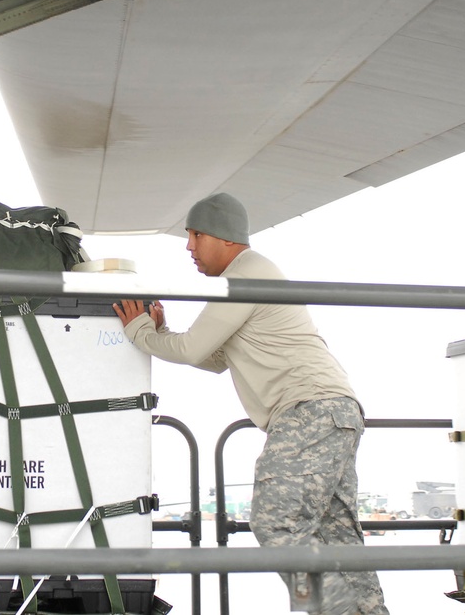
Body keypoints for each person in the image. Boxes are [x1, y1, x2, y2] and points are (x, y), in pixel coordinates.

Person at [112, 192, 389, 615]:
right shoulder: (247, 278)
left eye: (196, 234)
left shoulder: (245, 276)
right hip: (333, 410)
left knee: (276, 523)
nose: (189, 247)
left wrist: (139, 331)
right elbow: (215, 359)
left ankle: (336, 610)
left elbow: (189, 350)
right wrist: (160, 330)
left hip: (309, 410)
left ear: (223, 237)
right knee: (337, 535)